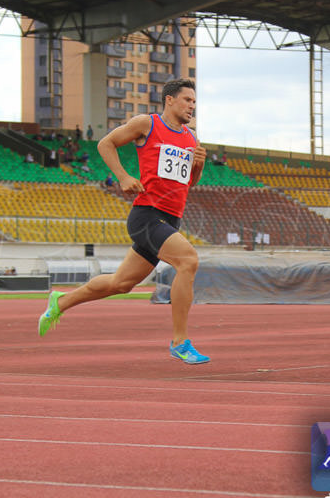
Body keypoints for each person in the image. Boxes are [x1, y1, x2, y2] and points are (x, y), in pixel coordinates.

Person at [37, 78, 210, 364]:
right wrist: (124, 176)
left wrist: (199, 165)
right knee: (188, 260)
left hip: (171, 219)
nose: (192, 106)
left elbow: (188, 183)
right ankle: (180, 342)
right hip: (146, 215)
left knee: (121, 284)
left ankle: (61, 301)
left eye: (194, 101)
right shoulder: (147, 124)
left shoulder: (191, 138)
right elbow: (106, 144)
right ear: (170, 100)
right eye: (187, 100)